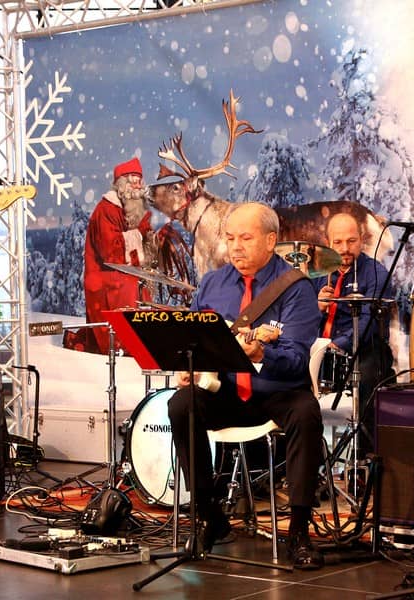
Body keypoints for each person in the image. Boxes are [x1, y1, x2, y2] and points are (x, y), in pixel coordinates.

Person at [167, 202, 325, 569]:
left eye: (246, 238)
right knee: (181, 404)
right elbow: (195, 341)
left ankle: (298, 532)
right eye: (230, 238)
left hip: (277, 392)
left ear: (270, 241)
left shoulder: (296, 288)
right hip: (225, 392)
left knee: (306, 412)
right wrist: (190, 367)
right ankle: (209, 515)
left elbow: (296, 361)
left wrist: (262, 354)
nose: (235, 247)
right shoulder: (213, 283)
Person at [315, 212, 394, 455]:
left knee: (370, 376)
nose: (345, 249)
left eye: (351, 241)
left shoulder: (376, 273)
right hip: (319, 348)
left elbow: (370, 322)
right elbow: (299, 319)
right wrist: (316, 308)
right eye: (338, 242)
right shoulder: (315, 275)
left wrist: (338, 344)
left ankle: (365, 457)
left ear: (362, 239)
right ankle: (301, 459)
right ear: (327, 243)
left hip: (364, 348)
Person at [83, 157, 153, 353]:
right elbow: (111, 253)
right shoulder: (107, 209)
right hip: (107, 282)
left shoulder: (131, 210)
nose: (138, 187)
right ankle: (126, 347)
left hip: (124, 279)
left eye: (139, 182)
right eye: (133, 181)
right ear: (122, 184)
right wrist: (139, 233)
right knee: (129, 295)